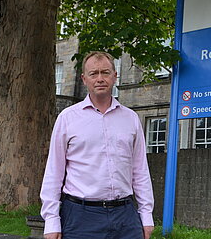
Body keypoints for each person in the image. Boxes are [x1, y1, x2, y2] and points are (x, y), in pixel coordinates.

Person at [40, 51, 154, 239]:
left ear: (115, 76)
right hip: (80, 217)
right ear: (84, 79)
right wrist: (51, 220)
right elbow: (54, 171)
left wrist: (146, 215)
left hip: (126, 216)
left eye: (105, 72)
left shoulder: (131, 119)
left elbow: (140, 170)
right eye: (94, 74)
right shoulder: (67, 118)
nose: (100, 78)